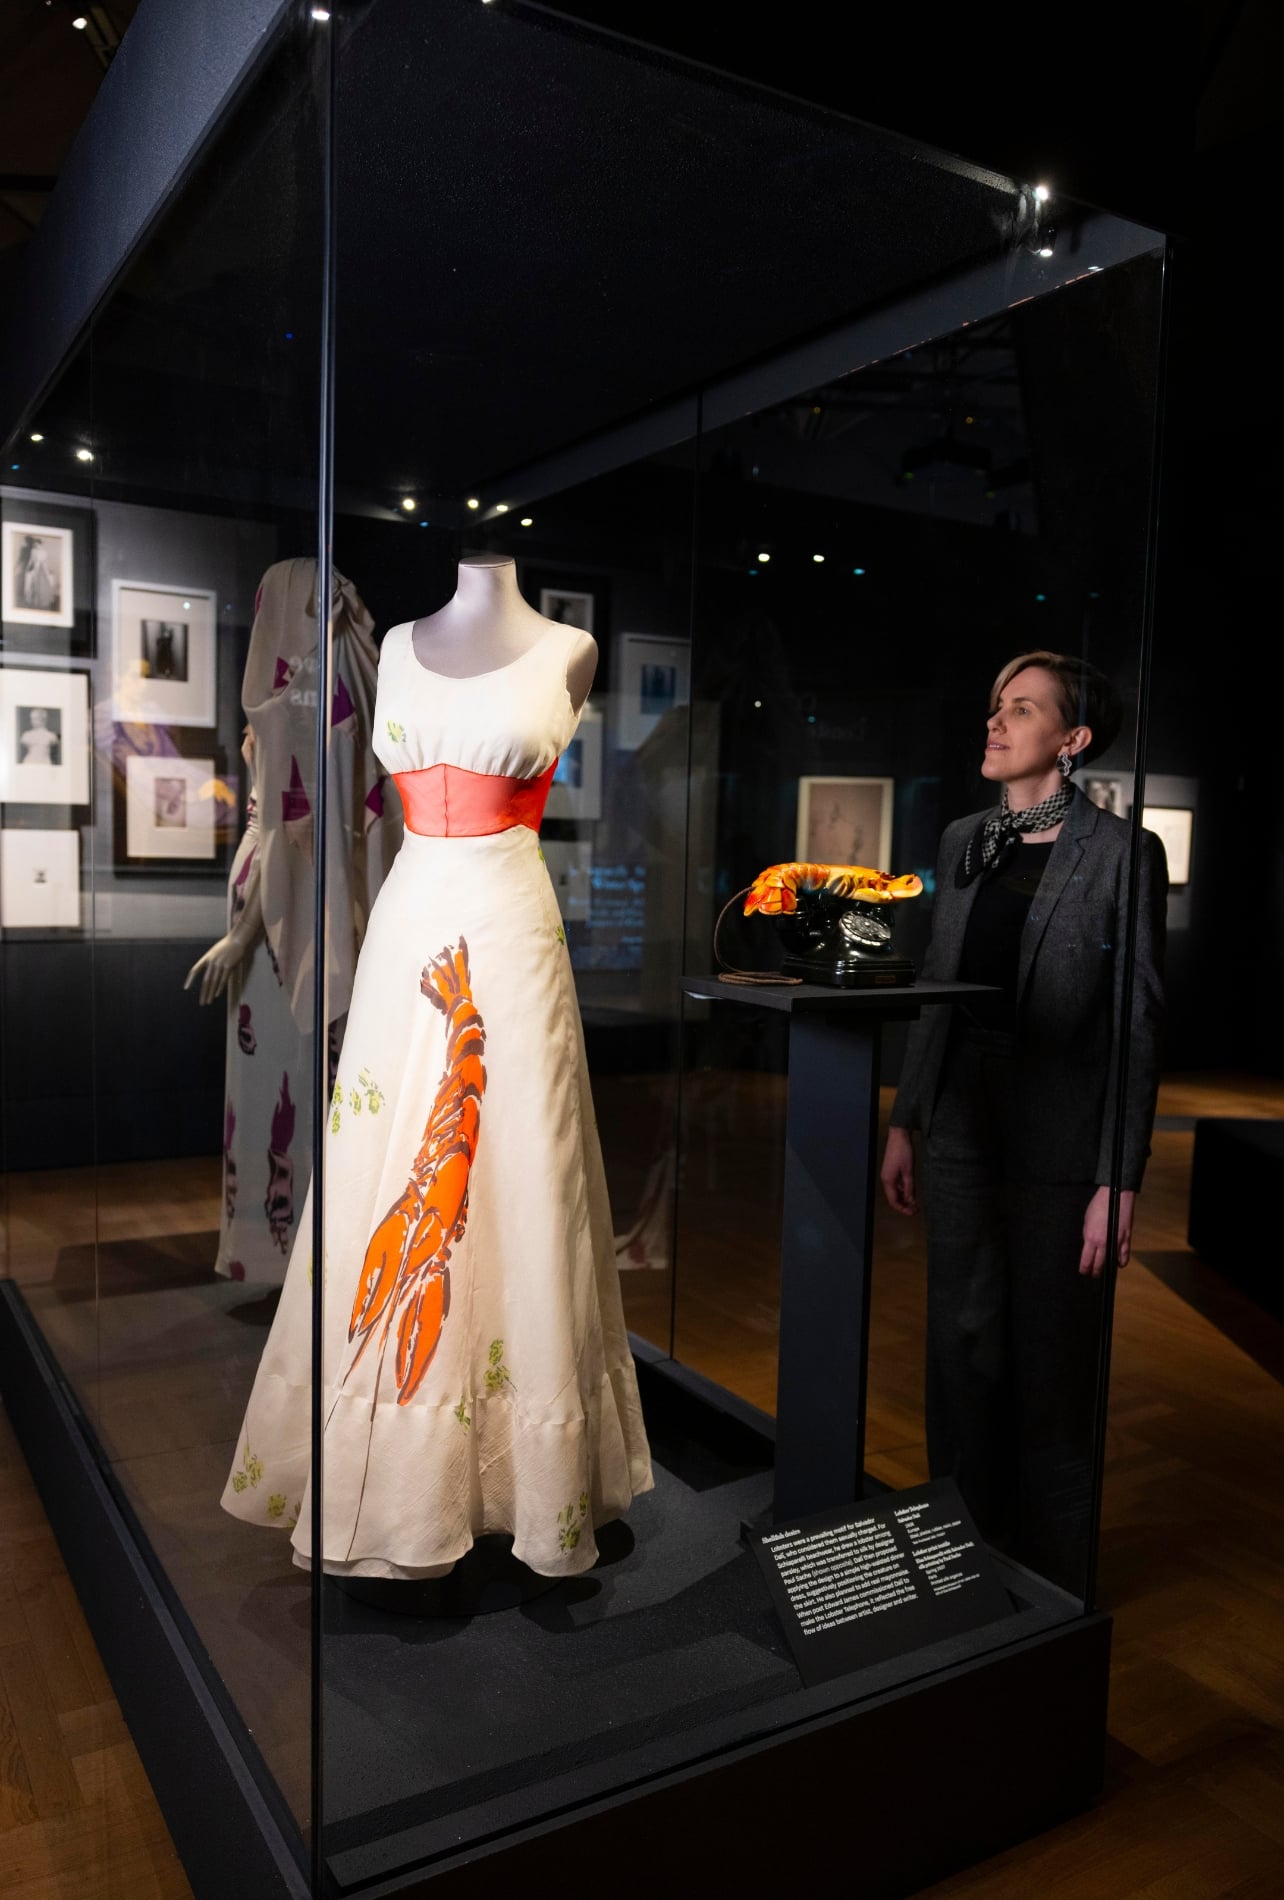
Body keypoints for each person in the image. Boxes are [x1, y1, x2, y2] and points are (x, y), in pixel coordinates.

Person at [879, 649, 1166, 1590]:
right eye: (996, 706)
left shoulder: (1124, 852)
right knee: (962, 1354)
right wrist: (906, 1119)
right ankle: (962, 1571)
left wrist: (1116, 1182)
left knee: (1052, 1367)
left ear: (1072, 741)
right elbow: (935, 989)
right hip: (961, 1123)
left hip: (1060, 1143)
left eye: (1023, 711)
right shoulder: (967, 837)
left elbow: (1135, 1023)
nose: (996, 724)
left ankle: (1054, 1594)